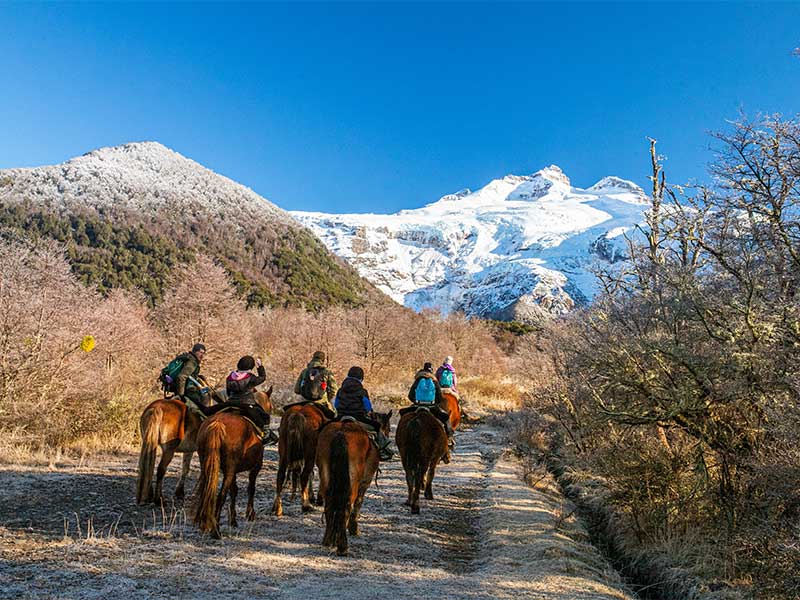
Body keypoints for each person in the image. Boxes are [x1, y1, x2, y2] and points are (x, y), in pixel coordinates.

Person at [195, 355, 278, 444]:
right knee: (265, 416)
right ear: (250, 367)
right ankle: (266, 436)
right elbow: (262, 378)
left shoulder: (230, 377)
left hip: (230, 403)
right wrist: (260, 367)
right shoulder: (250, 377)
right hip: (246, 403)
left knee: (209, 411)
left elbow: (228, 392)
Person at [333, 366, 393, 461]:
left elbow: (336, 404)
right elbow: (367, 407)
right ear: (361, 378)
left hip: (341, 416)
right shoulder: (363, 391)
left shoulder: (340, 391)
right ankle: (383, 449)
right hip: (359, 417)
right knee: (377, 426)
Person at [405, 362, 455, 449]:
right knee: (446, 418)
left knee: (404, 415)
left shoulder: (417, 380)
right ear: (431, 371)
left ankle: (403, 438)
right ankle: (449, 437)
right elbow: (439, 397)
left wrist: (416, 402)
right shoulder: (434, 381)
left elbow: (410, 395)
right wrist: (433, 402)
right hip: (431, 406)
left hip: (417, 405)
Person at [286, 351, 337, 419]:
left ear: (313, 358)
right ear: (323, 360)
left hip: (304, 401)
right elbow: (334, 390)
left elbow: (296, 390)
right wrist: (328, 398)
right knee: (333, 417)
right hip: (321, 402)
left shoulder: (304, 371)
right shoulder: (326, 372)